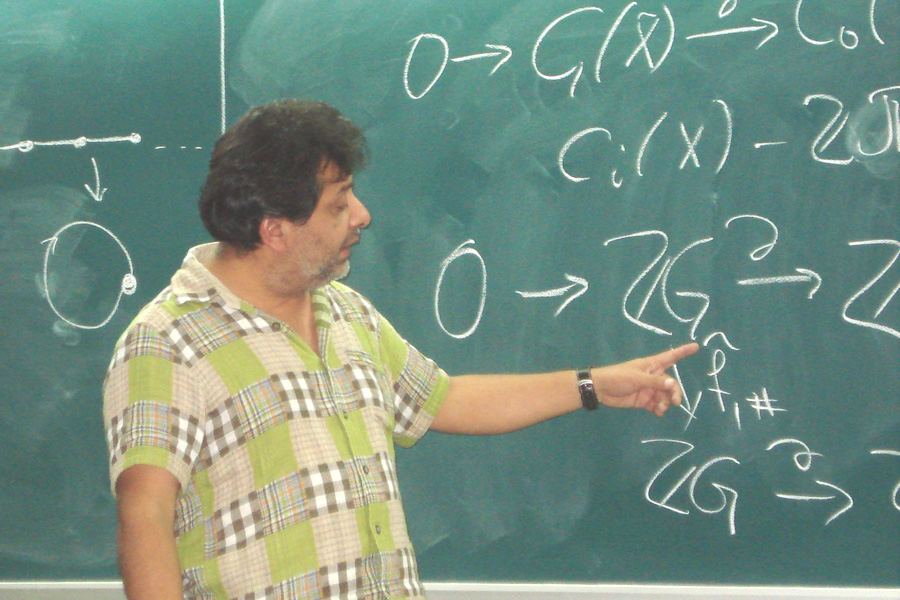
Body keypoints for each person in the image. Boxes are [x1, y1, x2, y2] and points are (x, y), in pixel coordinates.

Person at [103, 99, 698, 600]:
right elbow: (145, 517)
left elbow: (446, 399)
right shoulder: (169, 343)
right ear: (274, 229)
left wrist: (593, 385)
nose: (362, 216)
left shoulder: (346, 313)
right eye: (339, 204)